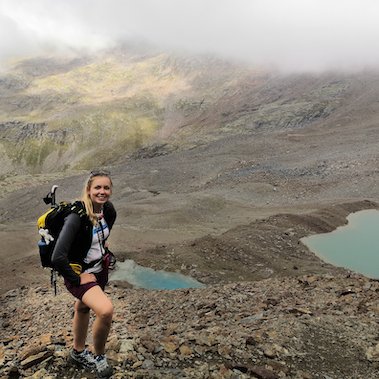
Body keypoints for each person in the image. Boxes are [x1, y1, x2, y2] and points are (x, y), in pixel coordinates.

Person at [51, 170, 117, 378]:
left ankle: (77, 352)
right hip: (79, 273)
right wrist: (77, 278)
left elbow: (101, 235)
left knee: (83, 307)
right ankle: (99, 357)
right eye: (97, 187)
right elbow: (57, 257)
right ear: (88, 190)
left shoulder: (108, 210)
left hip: (99, 270)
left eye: (106, 188)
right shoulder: (76, 217)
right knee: (105, 311)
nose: (102, 192)